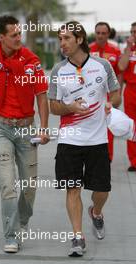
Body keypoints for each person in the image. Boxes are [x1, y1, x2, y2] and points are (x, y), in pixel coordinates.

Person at [0, 15, 49, 253]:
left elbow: (42, 95)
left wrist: (44, 127)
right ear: (2, 36)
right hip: (0, 130)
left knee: (29, 186)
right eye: (14, 34)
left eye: (20, 33)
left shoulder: (31, 61)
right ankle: (11, 235)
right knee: (7, 185)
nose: (19, 38)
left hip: (27, 129)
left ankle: (22, 221)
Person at [48, 21, 121, 257]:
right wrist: (69, 107)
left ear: (79, 40)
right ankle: (78, 237)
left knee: (101, 191)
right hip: (69, 139)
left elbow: (116, 94)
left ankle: (96, 212)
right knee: (72, 189)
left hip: (98, 139)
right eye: (60, 39)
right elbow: (53, 107)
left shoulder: (102, 66)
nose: (62, 44)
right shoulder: (59, 70)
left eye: (66, 38)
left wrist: (112, 104)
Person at [89, 22, 122, 162]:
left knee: (109, 126)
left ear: (108, 34)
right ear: (95, 33)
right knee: (91, 124)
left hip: (109, 93)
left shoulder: (115, 50)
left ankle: (107, 157)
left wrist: (117, 93)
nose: (100, 36)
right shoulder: (87, 50)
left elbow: (120, 73)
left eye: (103, 33)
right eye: (98, 33)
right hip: (92, 94)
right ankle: (91, 155)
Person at [118, 22, 136, 171]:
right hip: (131, 90)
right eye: (132, 32)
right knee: (132, 126)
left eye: (135, 32)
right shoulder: (128, 50)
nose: (133, 34)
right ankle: (134, 161)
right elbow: (122, 67)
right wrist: (128, 48)